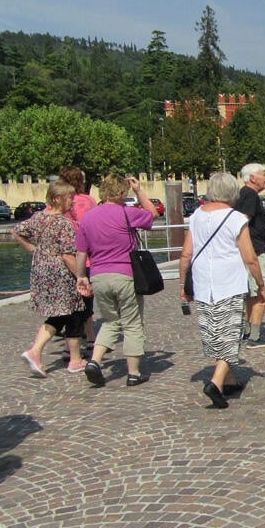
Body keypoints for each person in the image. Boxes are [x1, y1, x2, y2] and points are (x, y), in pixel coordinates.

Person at [179, 172, 265, 409]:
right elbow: (250, 258)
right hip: (229, 282)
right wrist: (260, 284)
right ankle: (216, 383)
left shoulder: (197, 216)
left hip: (204, 283)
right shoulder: (236, 218)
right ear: (232, 193)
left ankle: (229, 379)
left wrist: (182, 283)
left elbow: (186, 254)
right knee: (232, 331)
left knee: (215, 331)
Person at [75, 174, 157, 387]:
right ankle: (133, 373)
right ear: (122, 192)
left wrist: (81, 276)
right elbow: (153, 213)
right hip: (124, 274)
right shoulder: (127, 214)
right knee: (131, 323)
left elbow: (81, 252)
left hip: (99, 276)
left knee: (111, 321)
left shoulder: (88, 218)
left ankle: (94, 361)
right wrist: (139, 191)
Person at [12, 181, 88, 377]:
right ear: (57, 199)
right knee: (70, 311)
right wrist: (81, 276)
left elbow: (17, 230)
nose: (72, 201)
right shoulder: (63, 223)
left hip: (41, 271)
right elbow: (67, 255)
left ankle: (74, 358)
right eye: (70, 197)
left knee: (66, 313)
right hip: (60, 273)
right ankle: (38, 351)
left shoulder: (38, 218)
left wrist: (33, 249)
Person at [234, 163, 265, 348]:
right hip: (255, 251)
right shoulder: (250, 195)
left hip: (248, 250)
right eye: (264, 174)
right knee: (260, 294)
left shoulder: (243, 194)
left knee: (251, 294)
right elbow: (242, 222)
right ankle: (255, 337)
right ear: (252, 178)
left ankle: (248, 331)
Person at [59, 166, 97, 350]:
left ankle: (70, 344)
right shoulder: (89, 201)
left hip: (64, 258)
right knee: (87, 297)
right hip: (87, 257)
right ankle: (90, 337)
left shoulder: (57, 203)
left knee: (69, 303)